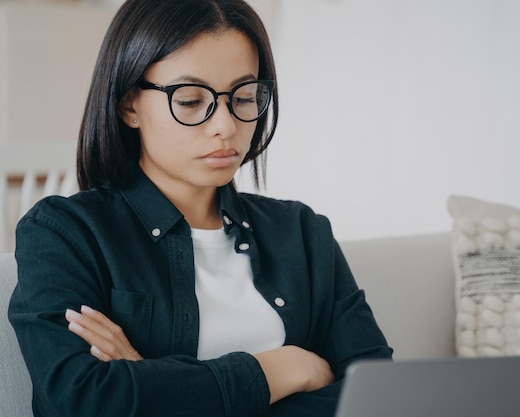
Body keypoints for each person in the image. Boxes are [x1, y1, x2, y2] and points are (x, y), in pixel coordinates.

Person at [8, 0, 392, 416]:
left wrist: (156, 384)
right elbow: (84, 399)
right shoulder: (65, 232)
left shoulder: (302, 231)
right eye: (191, 100)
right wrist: (282, 370)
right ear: (129, 105)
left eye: (244, 97)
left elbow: (376, 394)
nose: (225, 125)